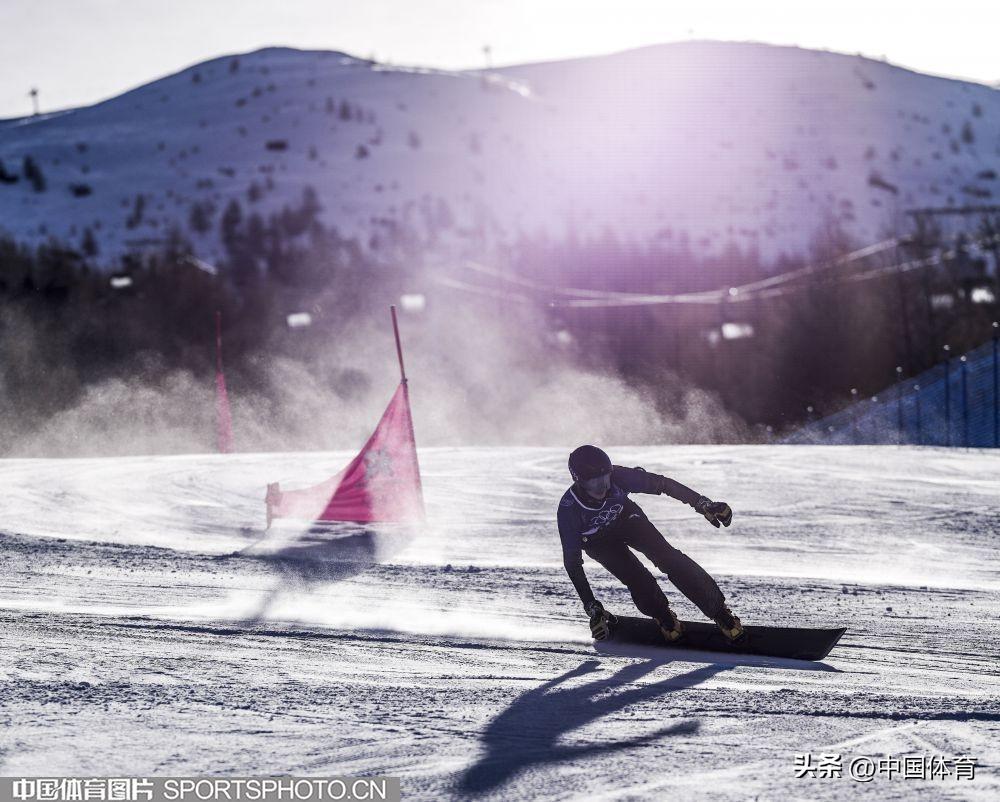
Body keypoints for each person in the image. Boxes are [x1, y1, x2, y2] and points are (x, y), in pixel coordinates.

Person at [557, 444, 744, 644]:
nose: (602, 487)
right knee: (636, 578)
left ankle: (719, 612)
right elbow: (572, 564)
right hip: (598, 543)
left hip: (627, 519)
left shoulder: (619, 476)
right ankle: (663, 617)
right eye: (594, 483)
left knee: (669, 558)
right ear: (579, 482)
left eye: (605, 478)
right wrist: (591, 605)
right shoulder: (568, 511)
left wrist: (701, 503)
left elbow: (663, 484)